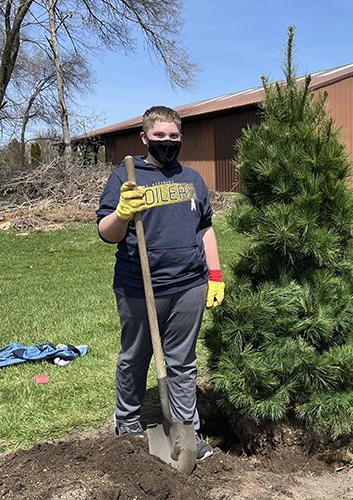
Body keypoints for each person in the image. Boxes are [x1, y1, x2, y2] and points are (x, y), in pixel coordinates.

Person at [96, 106, 225, 461]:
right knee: (135, 357)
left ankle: (188, 431)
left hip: (189, 285)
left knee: (182, 361)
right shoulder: (127, 176)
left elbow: (205, 228)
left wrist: (214, 275)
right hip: (139, 287)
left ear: (180, 138)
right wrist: (121, 213)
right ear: (145, 137)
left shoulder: (193, 179)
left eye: (173, 137)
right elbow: (106, 233)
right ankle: (128, 425)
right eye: (160, 136)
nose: (167, 143)